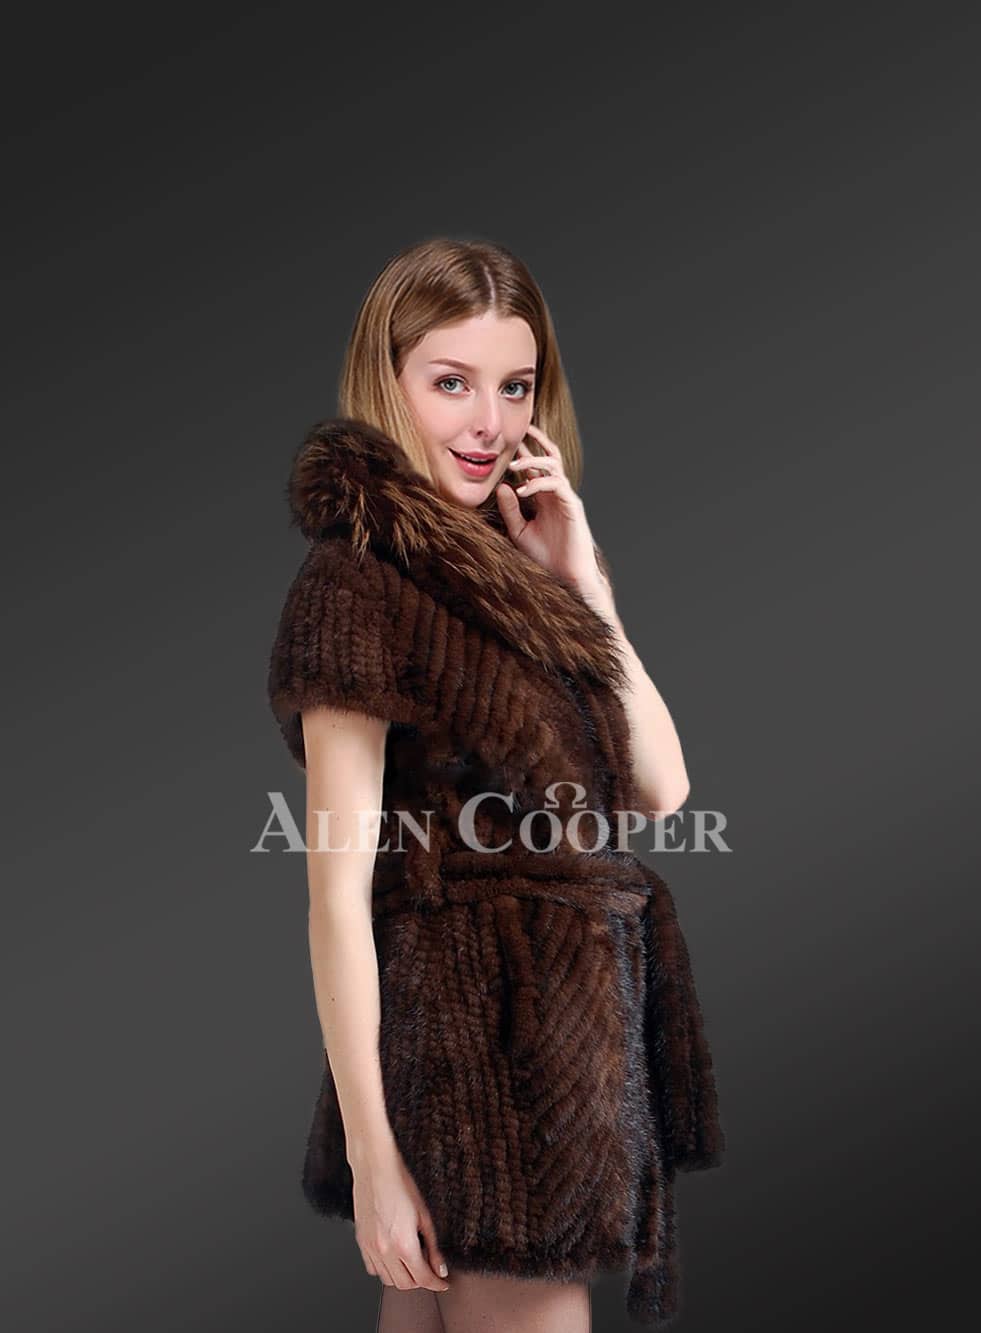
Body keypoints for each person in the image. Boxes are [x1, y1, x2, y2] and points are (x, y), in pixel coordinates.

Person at [267, 237, 724, 1331]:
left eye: (515, 386)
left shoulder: (525, 573)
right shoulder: (357, 579)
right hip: (476, 1055)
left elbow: (662, 787)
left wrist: (585, 586)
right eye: (451, 383)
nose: (489, 423)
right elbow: (337, 898)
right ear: (388, 381)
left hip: (541, 1048)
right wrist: (374, 1158)